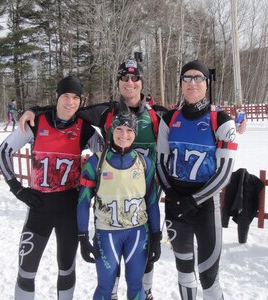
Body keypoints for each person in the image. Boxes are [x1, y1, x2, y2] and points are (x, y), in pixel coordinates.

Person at [19, 58, 167, 300]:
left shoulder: (158, 114)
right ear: (118, 82)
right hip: (109, 206)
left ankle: (147, 292)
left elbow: (188, 120)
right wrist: (34, 111)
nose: (129, 82)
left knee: (141, 271)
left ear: (141, 82)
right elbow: (67, 108)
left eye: (134, 78)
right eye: (124, 78)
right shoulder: (105, 111)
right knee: (110, 278)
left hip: (142, 201)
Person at [0, 76, 102, 300]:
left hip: (68, 209)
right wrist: (17, 189)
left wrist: (91, 188)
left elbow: (106, 157)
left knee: (67, 269)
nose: (70, 102)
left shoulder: (85, 129)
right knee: (26, 272)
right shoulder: (37, 122)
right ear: (57, 97)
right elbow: (2, 152)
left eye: (76, 98)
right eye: (65, 96)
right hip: (39, 207)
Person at [156, 60, 238, 300]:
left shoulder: (222, 120)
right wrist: (172, 195)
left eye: (198, 78)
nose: (192, 83)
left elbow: (224, 173)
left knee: (209, 277)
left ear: (207, 83)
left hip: (205, 209)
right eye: (187, 78)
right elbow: (161, 162)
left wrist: (193, 200)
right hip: (175, 207)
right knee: (184, 271)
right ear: (181, 83)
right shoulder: (169, 118)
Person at [77, 111, 161, 300]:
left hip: (137, 234)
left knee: (135, 286)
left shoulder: (145, 163)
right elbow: (83, 201)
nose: (124, 135)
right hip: (106, 234)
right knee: (105, 288)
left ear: (135, 133)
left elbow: (152, 203)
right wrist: (82, 236)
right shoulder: (96, 162)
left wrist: (156, 236)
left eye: (129, 130)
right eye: (120, 129)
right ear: (112, 130)